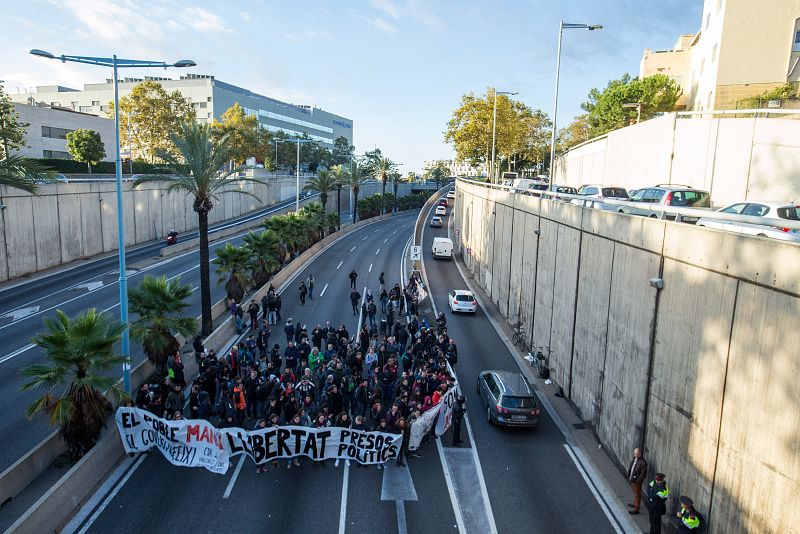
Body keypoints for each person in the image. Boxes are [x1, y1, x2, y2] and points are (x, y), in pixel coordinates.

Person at [627, 447, 648, 515]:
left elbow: (643, 474)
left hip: (637, 481)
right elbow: (631, 467)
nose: (636, 455)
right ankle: (634, 503)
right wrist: (629, 474)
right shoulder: (635, 459)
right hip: (632, 479)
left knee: (637, 494)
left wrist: (637, 481)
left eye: (637, 454)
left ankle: (636, 509)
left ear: (640, 454)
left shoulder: (643, 463)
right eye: (635, 454)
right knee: (635, 492)